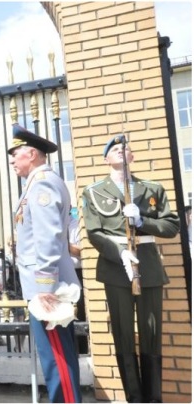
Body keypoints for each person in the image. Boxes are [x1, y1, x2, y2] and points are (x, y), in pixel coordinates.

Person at [82, 135, 179, 403]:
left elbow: (171, 226)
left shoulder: (152, 189)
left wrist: (142, 220)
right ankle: (134, 398)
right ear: (106, 159)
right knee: (123, 333)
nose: (121, 151)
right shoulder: (94, 192)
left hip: (147, 263)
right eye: (115, 149)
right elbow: (94, 233)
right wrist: (120, 253)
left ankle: (153, 397)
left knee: (151, 330)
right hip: (116, 267)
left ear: (132, 156)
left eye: (125, 148)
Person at [8, 125, 82, 402]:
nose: (13, 160)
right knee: (53, 355)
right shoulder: (36, 183)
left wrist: (45, 285)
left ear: (33, 153)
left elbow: (49, 238)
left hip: (47, 288)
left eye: (16, 154)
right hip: (42, 286)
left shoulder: (43, 184)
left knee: (56, 358)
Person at [68, 208, 88, 354]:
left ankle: (81, 350)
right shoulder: (53, 225)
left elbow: (84, 252)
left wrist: (65, 244)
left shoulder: (75, 225)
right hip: (59, 275)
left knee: (77, 315)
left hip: (76, 272)